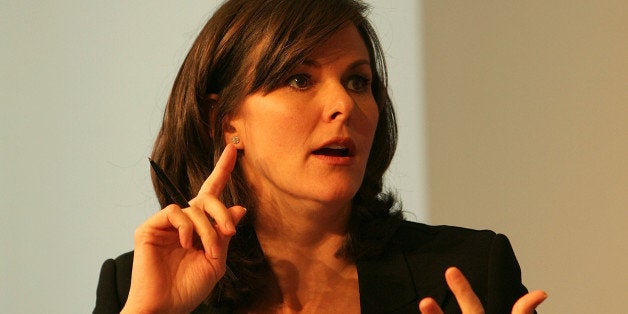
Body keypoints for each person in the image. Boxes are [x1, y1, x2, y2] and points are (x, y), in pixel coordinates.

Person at [94, 0, 547, 313]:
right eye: (298, 79)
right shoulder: (136, 285)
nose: (344, 105)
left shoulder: (467, 271)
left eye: (357, 82)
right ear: (226, 120)